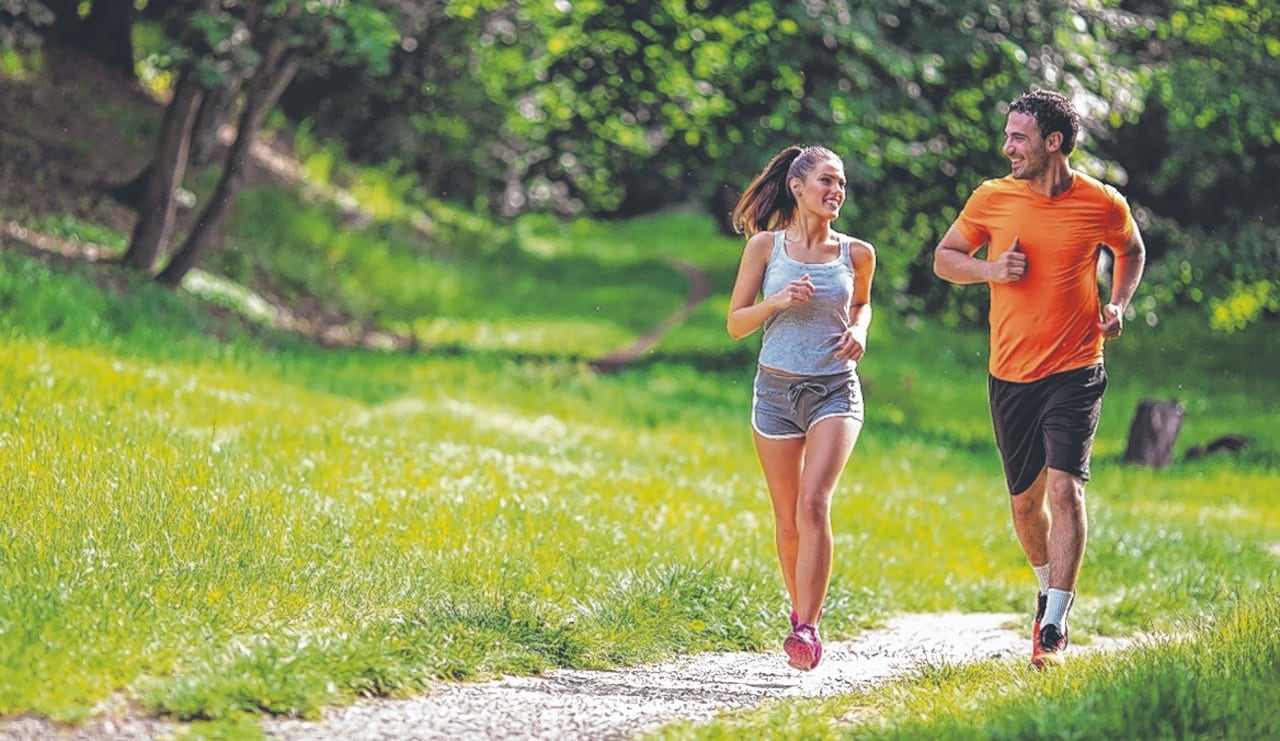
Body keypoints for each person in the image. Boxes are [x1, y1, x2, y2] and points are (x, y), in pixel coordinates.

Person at [933, 89, 1146, 669]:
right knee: (1027, 505)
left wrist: (1118, 303)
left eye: (1018, 137)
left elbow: (1130, 250)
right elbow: (945, 258)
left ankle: (1054, 620)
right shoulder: (992, 197)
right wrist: (990, 269)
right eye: (1008, 135)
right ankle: (1046, 587)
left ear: (1054, 142)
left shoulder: (1100, 201)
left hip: (1077, 367)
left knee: (1064, 488)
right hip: (1010, 373)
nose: (1008, 147)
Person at [726, 145, 876, 671]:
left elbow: (862, 303)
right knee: (788, 518)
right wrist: (776, 301)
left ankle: (809, 628)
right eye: (827, 181)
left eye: (842, 183)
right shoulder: (765, 248)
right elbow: (736, 323)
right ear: (798, 186)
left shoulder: (857, 253)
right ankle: (799, 613)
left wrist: (859, 330)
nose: (837, 191)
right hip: (774, 394)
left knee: (814, 503)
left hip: (834, 389)